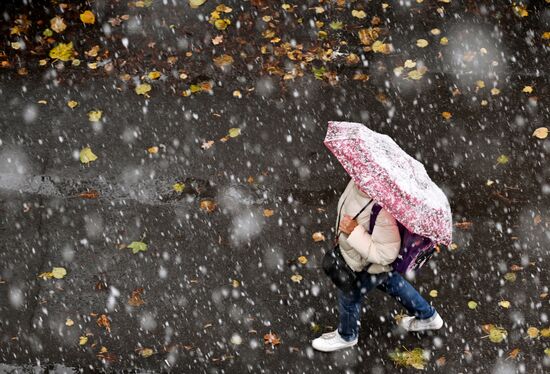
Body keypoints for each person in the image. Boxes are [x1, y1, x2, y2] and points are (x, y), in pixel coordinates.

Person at [312, 179, 444, 352]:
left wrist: (354, 231)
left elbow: (385, 254)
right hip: (365, 260)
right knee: (391, 282)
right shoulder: (359, 182)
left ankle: (347, 335)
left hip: (367, 265)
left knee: (349, 295)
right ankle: (428, 315)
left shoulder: (383, 210)